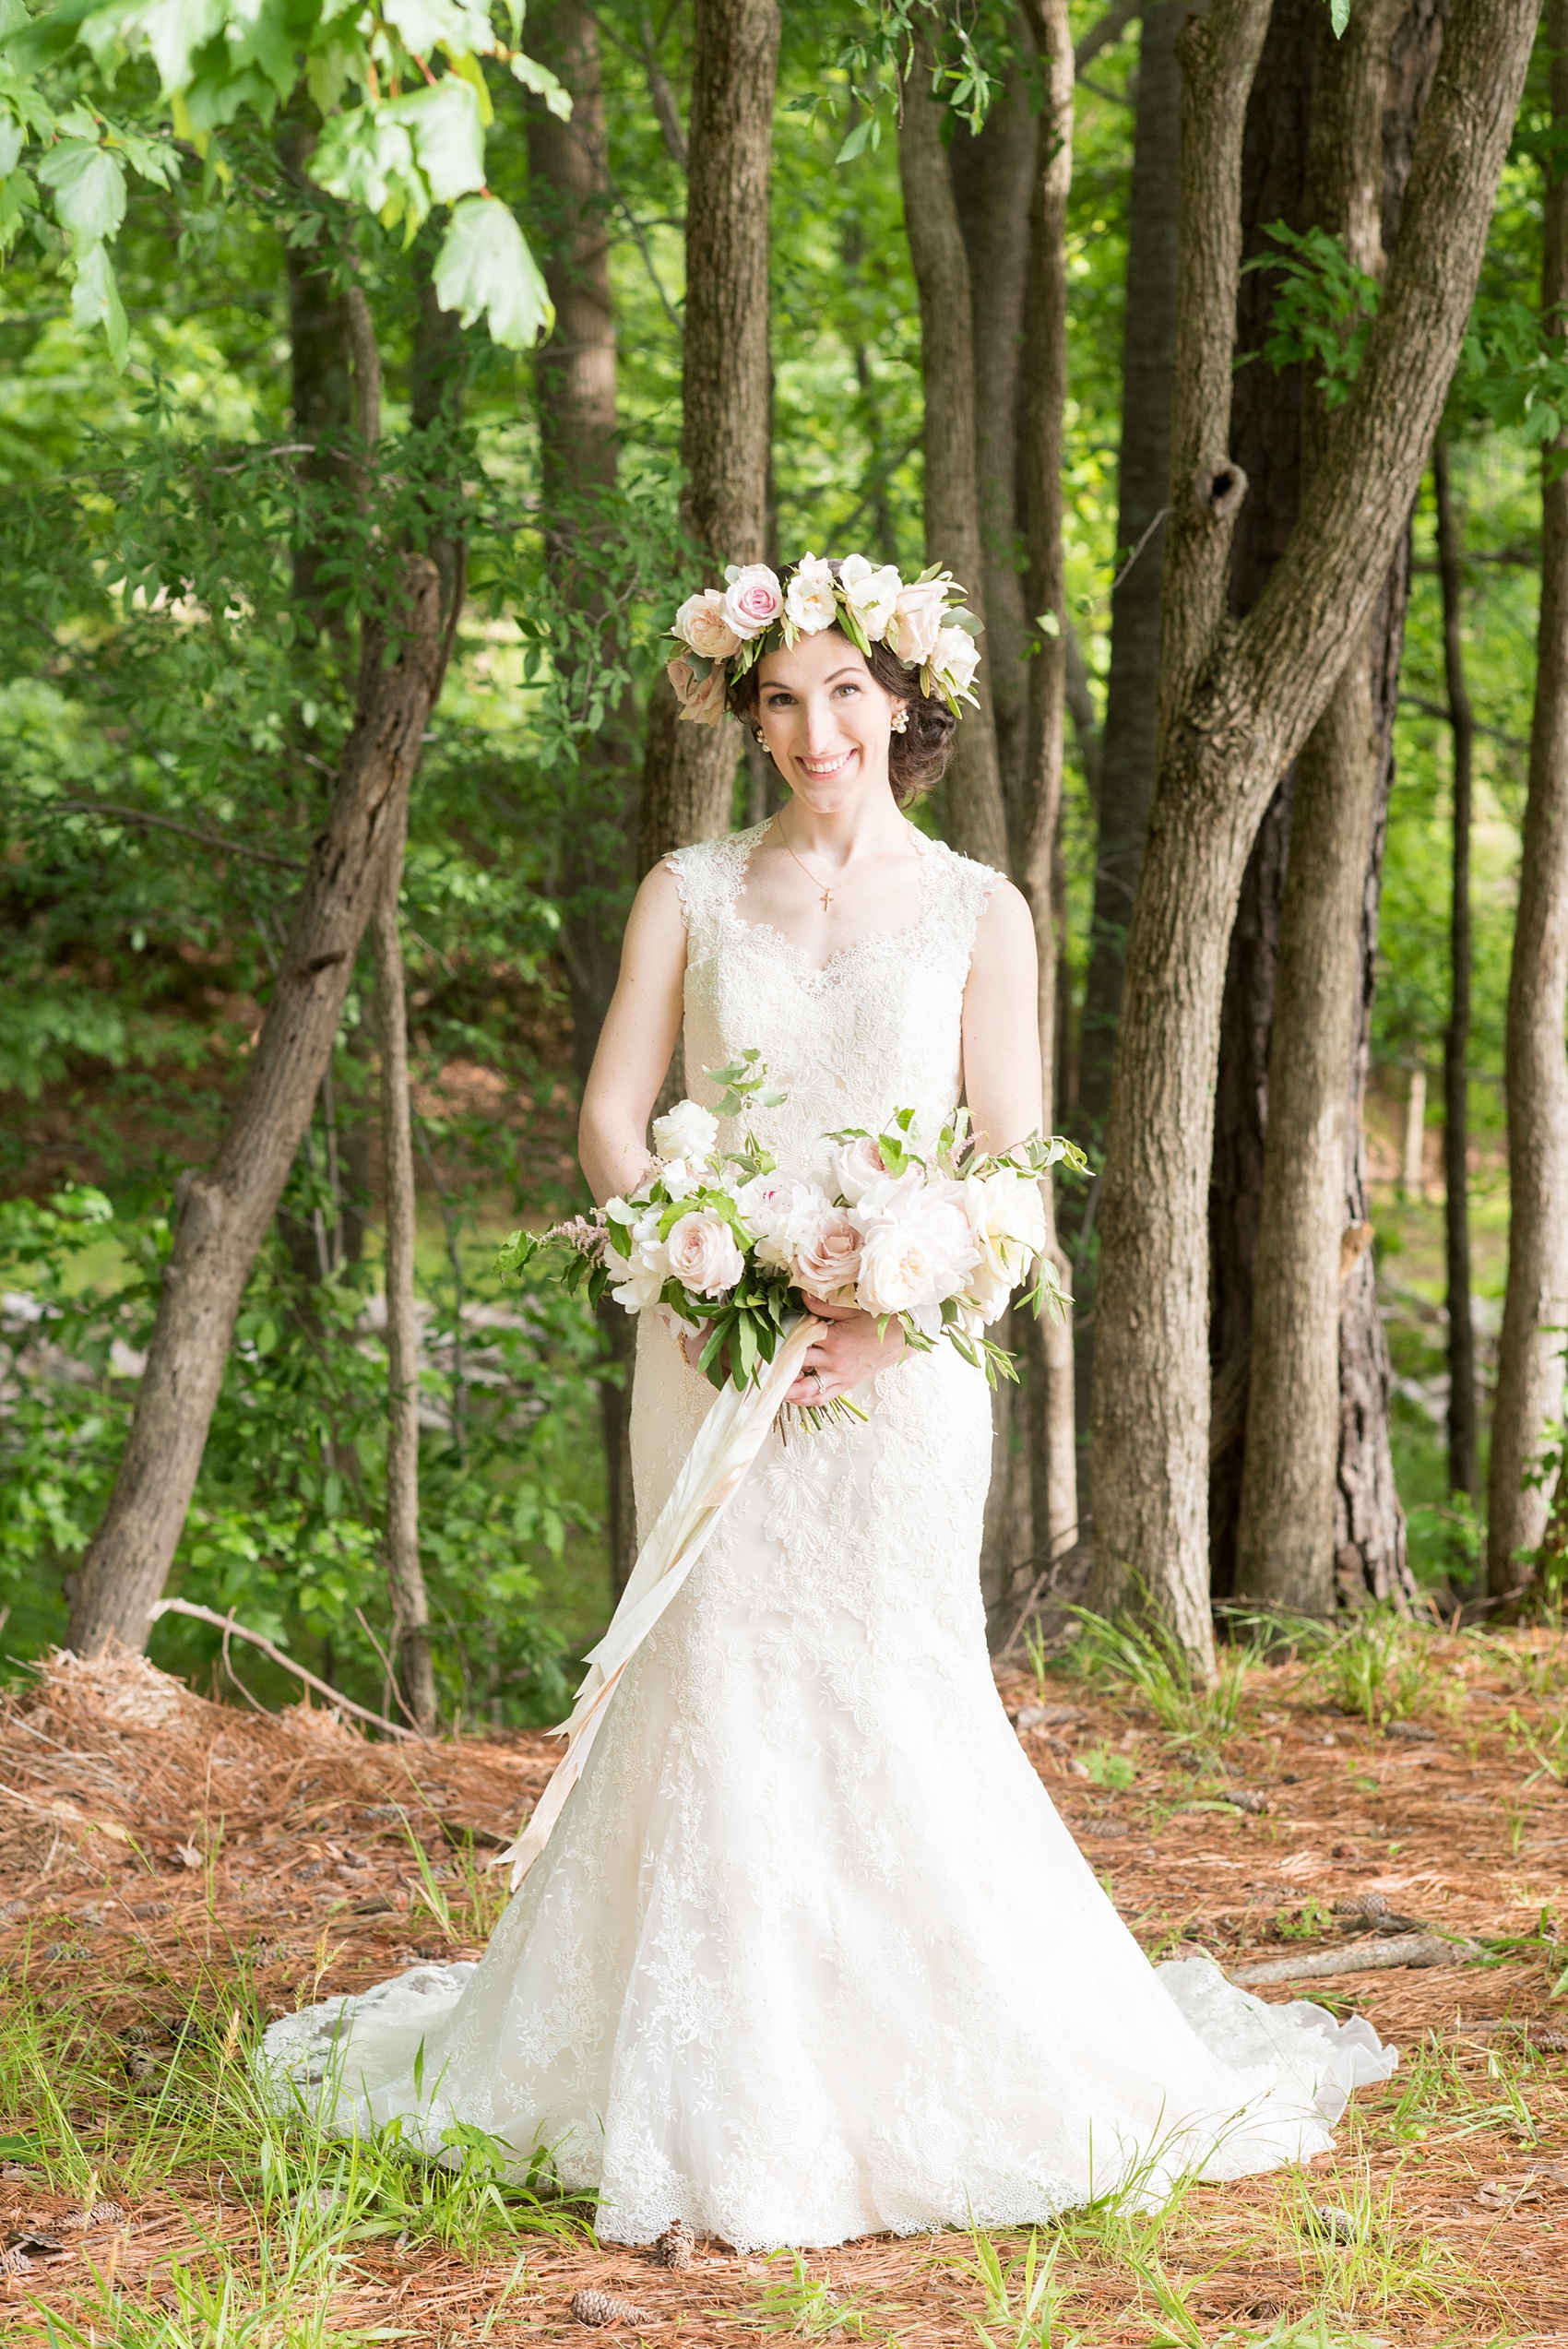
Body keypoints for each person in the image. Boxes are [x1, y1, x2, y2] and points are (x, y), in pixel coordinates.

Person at [263, 554, 1394, 2251]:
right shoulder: (689, 892)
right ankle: (711, 2092)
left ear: (904, 702)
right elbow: (614, 1118)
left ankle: (927, 2065)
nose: (811, 728)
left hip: (903, 1379)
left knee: (891, 1685)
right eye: (779, 698)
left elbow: (1008, 1159)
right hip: (713, 1349)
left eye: (844, 693)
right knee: (712, 1679)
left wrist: (903, 1297)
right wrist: (709, 1269)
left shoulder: (978, 912)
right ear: (744, 712)